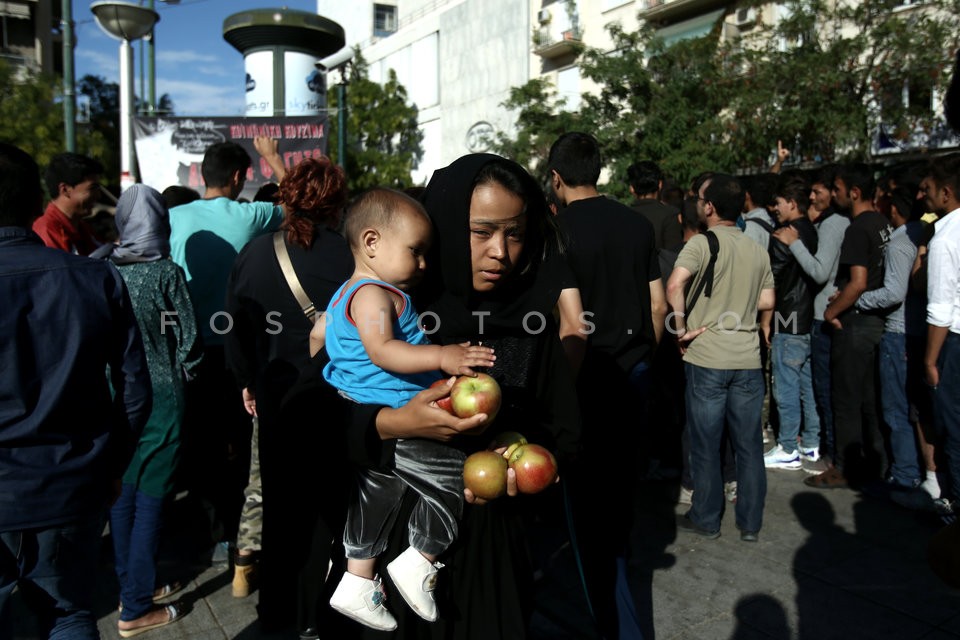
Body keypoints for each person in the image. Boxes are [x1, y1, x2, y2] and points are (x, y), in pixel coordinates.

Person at [335, 153, 581, 639]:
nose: (500, 252)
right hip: (393, 538)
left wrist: (524, 468)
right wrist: (391, 424)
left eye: (514, 233)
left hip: (491, 548)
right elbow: (318, 410)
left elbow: (562, 428)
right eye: (482, 232)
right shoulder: (393, 307)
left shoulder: (531, 320)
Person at [319, 188, 496, 631]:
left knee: (379, 495)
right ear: (372, 242)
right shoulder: (374, 294)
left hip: (364, 413)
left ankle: (357, 580)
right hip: (395, 414)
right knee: (453, 475)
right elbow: (383, 351)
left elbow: (319, 341)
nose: (422, 265)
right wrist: (441, 357)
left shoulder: (344, 294)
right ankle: (420, 559)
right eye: (415, 251)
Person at [0, 143, 152, 638]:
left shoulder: (95, 273)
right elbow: (134, 387)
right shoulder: (94, 278)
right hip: (70, 482)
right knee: (69, 613)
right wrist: (111, 464)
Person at [223, 156, 354, 637]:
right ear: (337, 204)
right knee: (336, 509)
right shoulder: (354, 257)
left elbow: (237, 327)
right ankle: (331, 611)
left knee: (282, 510)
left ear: (285, 198)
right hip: (343, 402)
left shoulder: (254, 255)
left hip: (280, 400)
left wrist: (246, 380)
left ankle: (279, 613)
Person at [549, 132, 665, 639]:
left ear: (555, 178)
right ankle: (617, 554)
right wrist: (646, 357)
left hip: (584, 373)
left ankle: (605, 606)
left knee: (583, 497)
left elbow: (565, 323)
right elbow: (658, 305)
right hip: (634, 367)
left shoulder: (557, 233)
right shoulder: (636, 224)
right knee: (621, 479)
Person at [170, 136, 286, 563]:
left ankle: (213, 530)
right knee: (239, 442)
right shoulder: (250, 215)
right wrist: (273, 157)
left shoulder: (173, 218)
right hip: (240, 351)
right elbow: (306, 205)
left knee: (200, 441)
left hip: (188, 349)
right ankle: (242, 530)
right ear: (239, 178)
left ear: (203, 174)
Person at [97, 184, 203, 636]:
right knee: (152, 500)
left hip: (114, 398)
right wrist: (188, 373)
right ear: (161, 222)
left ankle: (133, 587)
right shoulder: (166, 274)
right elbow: (190, 342)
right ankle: (136, 607)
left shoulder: (102, 269)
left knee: (123, 497)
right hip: (161, 399)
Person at [666, 173, 775, 541]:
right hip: (747, 359)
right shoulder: (757, 249)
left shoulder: (699, 245)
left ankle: (707, 518)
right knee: (748, 447)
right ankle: (750, 524)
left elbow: (674, 284)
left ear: (709, 207)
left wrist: (680, 329)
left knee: (705, 443)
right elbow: (767, 301)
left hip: (708, 356)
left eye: (700, 198)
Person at [806, 164, 892, 490]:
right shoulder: (881, 223)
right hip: (874, 323)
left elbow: (857, 283)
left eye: (838, 188)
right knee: (869, 399)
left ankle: (844, 467)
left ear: (854, 192)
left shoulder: (856, 229)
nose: (835, 194)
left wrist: (832, 312)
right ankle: (876, 463)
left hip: (854, 324)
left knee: (846, 401)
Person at [763, 176, 821, 471]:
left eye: (778, 203)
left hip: (788, 318)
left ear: (792, 203)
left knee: (785, 387)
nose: (774, 208)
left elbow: (772, 279)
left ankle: (787, 447)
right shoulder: (810, 230)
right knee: (806, 386)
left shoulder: (785, 234)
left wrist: (765, 318)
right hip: (807, 317)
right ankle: (810, 443)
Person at [922, 153, 960, 510]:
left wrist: (931, 359)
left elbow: (941, 308)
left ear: (946, 193)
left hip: (954, 344)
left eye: (928, 189)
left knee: (954, 431)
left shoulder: (945, 237)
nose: (923, 196)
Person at [32, 151, 105, 255]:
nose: (98, 195)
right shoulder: (47, 232)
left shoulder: (82, 229)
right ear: (65, 189)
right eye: (92, 188)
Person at [627, 159, 682, 251]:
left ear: (632, 188)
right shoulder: (670, 215)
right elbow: (673, 254)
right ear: (660, 184)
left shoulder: (620, 215)